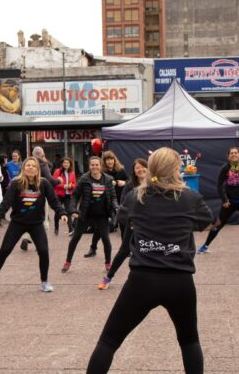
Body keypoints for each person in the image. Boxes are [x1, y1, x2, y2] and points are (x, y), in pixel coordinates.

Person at [86, 147, 213, 373]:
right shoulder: (189, 197)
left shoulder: (137, 196)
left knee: (108, 341)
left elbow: (122, 217)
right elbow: (205, 220)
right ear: (176, 170)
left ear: (151, 169)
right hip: (179, 281)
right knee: (189, 341)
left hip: (143, 280)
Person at [0, 157, 67, 294]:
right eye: (28, 166)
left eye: (33, 166)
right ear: (23, 168)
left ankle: (44, 282)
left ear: (37, 169)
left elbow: (54, 201)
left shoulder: (44, 184)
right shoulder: (16, 184)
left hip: (36, 224)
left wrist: (62, 212)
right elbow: (6, 203)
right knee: (4, 250)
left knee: (43, 251)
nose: (30, 168)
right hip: (17, 223)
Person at [98, 158, 147, 290]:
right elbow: (124, 205)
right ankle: (108, 277)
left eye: (143, 167)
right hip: (133, 224)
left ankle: (149, 280)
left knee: (149, 251)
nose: (141, 169)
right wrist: (130, 221)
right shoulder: (130, 185)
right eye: (138, 168)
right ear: (134, 171)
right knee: (124, 250)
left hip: (149, 226)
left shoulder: (154, 185)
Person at [63, 156, 118, 273]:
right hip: (86, 214)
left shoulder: (108, 179)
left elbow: (113, 196)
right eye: (92, 165)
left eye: (97, 165)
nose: (95, 167)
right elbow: (75, 196)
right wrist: (73, 209)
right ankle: (67, 262)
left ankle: (108, 264)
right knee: (75, 238)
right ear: (89, 166)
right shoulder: (84, 179)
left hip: (102, 215)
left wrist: (116, 207)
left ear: (100, 166)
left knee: (106, 239)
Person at [197, 147, 239, 254]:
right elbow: (219, 185)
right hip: (229, 203)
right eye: (231, 153)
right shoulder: (225, 168)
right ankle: (205, 246)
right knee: (217, 225)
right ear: (228, 156)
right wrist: (224, 200)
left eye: (236, 153)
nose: (234, 154)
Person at [85, 150, 128, 258]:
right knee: (100, 228)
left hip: (119, 201)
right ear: (104, 161)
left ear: (114, 160)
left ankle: (125, 249)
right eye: (107, 160)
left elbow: (130, 181)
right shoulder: (102, 172)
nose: (110, 162)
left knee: (123, 224)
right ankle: (93, 248)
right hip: (105, 203)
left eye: (111, 159)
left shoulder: (121, 170)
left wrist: (124, 182)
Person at [19, 146, 62, 251]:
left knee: (27, 217)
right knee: (43, 219)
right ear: (43, 154)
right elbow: (50, 180)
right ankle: (40, 242)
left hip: (26, 195)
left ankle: (25, 237)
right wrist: (59, 181)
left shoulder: (26, 164)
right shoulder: (42, 165)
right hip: (40, 195)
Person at [52, 157, 77, 236]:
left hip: (68, 195)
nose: (66, 164)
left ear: (70, 164)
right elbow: (54, 183)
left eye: (68, 163)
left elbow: (74, 184)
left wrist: (71, 186)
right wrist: (64, 186)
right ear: (62, 164)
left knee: (68, 211)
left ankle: (70, 229)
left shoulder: (72, 173)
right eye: (64, 163)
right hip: (59, 194)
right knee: (58, 212)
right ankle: (56, 227)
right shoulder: (57, 171)